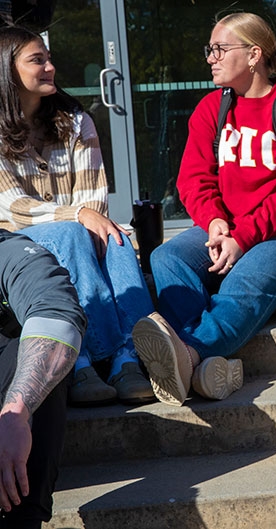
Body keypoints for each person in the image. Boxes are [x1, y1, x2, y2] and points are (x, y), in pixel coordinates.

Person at [133, 12, 276, 406]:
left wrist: (243, 237)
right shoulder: (212, 108)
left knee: (243, 284)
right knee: (168, 257)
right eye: (211, 49)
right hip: (225, 228)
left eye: (219, 49)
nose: (210, 58)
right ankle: (203, 366)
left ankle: (186, 354)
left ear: (254, 54)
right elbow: (192, 180)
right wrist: (216, 221)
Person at [0, 26, 155, 406]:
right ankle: (82, 361)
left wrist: (86, 216)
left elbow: (93, 202)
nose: (50, 67)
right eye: (38, 60)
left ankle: (131, 359)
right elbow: (14, 207)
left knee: (118, 239)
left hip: (73, 232)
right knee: (71, 234)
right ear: (7, 69)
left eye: (49, 58)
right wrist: (77, 214)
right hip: (15, 244)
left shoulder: (74, 122)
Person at [0, 229, 86, 529]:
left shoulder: (9, 253)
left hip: (10, 435)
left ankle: (22, 520)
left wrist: (14, 418)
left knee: (35, 358)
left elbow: (57, 318)